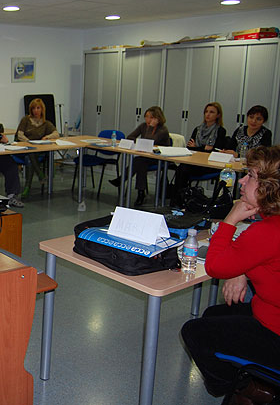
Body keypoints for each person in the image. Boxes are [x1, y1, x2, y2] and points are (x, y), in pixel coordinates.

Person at [181, 145, 280, 402]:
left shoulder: (266, 233)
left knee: (193, 331)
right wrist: (242, 271)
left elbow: (215, 267)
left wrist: (230, 219)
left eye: (251, 176)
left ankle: (233, 386)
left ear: (269, 187)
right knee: (213, 314)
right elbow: (256, 258)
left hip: (275, 331)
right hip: (269, 310)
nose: (243, 180)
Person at [109, 106, 170, 206]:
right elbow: (130, 136)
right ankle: (140, 193)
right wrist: (139, 142)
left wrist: (150, 128)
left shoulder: (163, 130)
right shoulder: (143, 126)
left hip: (158, 158)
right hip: (145, 156)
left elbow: (150, 142)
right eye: (146, 117)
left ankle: (122, 179)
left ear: (157, 118)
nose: (147, 120)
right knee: (140, 163)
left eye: (150, 117)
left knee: (139, 162)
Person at [170, 102, 228, 205]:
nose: (208, 114)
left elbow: (216, 150)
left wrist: (198, 147)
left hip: (209, 164)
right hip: (194, 162)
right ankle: (179, 198)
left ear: (218, 115)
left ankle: (179, 199)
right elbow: (189, 147)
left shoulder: (220, 131)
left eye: (211, 112)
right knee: (181, 168)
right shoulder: (198, 129)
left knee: (183, 170)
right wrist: (204, 148)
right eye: (206, 112)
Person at [15, 98, 59, 198]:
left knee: (30, 156)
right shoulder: (25, 120)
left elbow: (56, 134)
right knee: (29, 155)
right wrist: (28, 142)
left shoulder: (46, 123)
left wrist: (47, 137)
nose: (36, 110)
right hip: (25, 148)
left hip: (39, 150)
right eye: (34, 108)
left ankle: (28, 186)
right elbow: (20, 134)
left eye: (38, 108)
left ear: (42, 109)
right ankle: (39, 175)